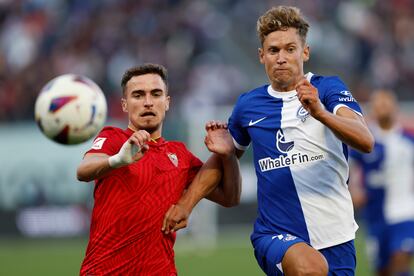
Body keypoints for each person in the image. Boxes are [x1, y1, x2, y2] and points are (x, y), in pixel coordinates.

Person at [163, 6, 374, 276]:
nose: (282, 58)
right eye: (274, 51)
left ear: (305, 52)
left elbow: (365, 140)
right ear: (262, 56)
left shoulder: (329, 89)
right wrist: (186, 205)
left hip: (336, 236)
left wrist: (320, 112)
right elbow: (221, 160)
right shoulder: (248, 105)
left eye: (290, 49)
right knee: (310, 268)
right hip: (276, 235)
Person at [76, 63, 241, 275]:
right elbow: (83, 170)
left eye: (156, 94)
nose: (147, 102)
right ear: (125, 105)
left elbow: (230, 197)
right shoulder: (114, 138)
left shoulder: (180, 155)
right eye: (138, 95)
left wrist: (227, 156)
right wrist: (117, 160)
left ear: (167, 102)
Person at [349, 90, 414, 276]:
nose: (382, 108)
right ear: (372, 111)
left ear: (395, 108)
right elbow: (350, 169)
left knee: (401, 260)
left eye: (386, 104)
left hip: (404, 211)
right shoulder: (365, 141)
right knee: (383, 269)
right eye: (378, 105)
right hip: (375, 215)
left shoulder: (408, 140)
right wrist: (354, 189)